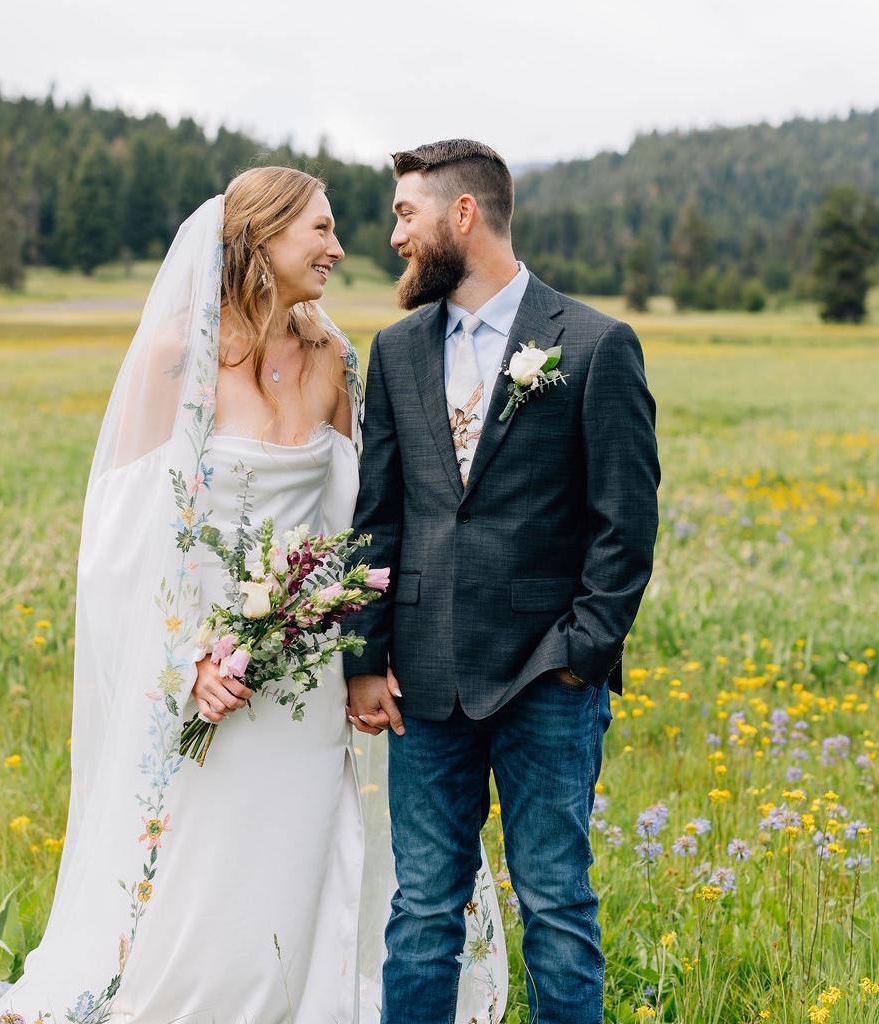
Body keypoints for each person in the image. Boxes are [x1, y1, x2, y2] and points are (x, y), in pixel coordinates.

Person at [0, 166, 506, 1024]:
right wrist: (190, 656)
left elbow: (359, 521)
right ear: (262, 237)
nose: (340, 248)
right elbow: (125, 532)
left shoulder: (335, 361)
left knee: (305, 844)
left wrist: (356, 644)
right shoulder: (177, 357)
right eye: (321, 230)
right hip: (211, 671)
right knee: (207, 856)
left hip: (308, 673)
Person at [344, 139, 661, 1024]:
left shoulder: (594, 344)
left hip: (546, 679)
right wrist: (363, 658)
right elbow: (378, 516)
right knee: (421, 911)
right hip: (424, 680)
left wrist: (579, 657)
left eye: (406, 213)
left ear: (463, 214)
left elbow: (625, 524)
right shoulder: (397, 350)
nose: (395, 235)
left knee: (556, 906)